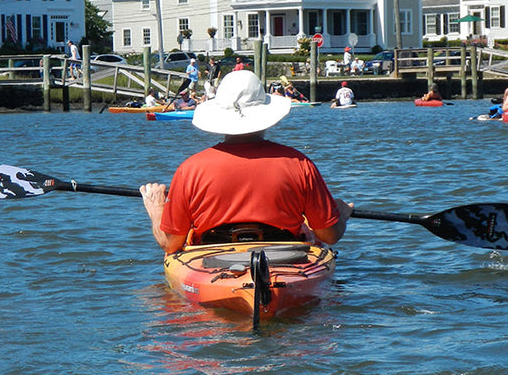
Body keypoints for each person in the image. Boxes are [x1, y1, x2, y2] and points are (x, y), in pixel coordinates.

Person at [138, 70, 351, 254]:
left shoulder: (190, 170)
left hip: (213, 259)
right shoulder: (300, 163)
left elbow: (171, 244)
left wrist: (157, 208)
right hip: (287, 258)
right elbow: (328, 235)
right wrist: (340, 214)